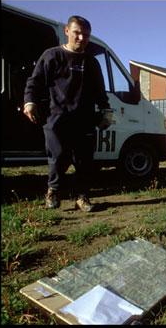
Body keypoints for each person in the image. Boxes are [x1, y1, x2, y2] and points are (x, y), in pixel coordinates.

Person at [23, 15, 111, 212]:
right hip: (56, 116)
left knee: (84, 160)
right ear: (67, 31)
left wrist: (106, 111)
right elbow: (34, 82)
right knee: (59, 155)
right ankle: (53, 191)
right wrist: (30, 102)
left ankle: (82, 196)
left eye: (86, 35)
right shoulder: (51, 56)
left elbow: (99, 90)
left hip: (84, 118)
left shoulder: (91, 63)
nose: (81, 38)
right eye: (77, 33)